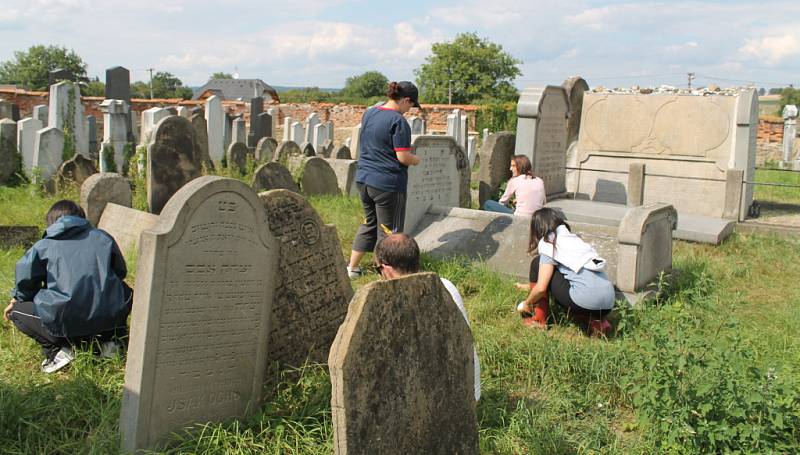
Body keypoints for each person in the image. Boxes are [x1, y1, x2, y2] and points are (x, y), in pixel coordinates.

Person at [3, 200, 132, 373]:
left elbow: (26, 283)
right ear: (81, 217)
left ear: (50, 221)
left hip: (64, 319)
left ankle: (59, 350)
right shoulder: (102, 237)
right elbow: (120, 272)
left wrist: (16, 299)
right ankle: (111, 342)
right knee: (125, 291)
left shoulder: (43, 246)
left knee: (17, 310)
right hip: (107, 316)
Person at [374, 233, 481, 401]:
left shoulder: (392, 304)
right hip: (470, 390)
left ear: (386, 269)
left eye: (377, 269)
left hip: (439, 401)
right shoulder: (446, 285)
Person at [346, 81, 422, 278]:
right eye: (411, 105)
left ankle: (352, 268)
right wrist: (416, 160)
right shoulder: (399, 122)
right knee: (390, 232)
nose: (409, 110)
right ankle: (386, 275)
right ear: (406, 100)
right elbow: (403, 157)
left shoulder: (370, 113)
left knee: (370, 223)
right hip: (388, 184)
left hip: (364, 179)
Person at [516, 208, 614, 336]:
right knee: (572, 281)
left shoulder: (549, 242)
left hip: (584, 301)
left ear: (538, 228)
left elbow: (541, 288)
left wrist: (527, 303)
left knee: (537, 264)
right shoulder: (575, 240)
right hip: (608, 303)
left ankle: (539, 320)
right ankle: (598, 322)